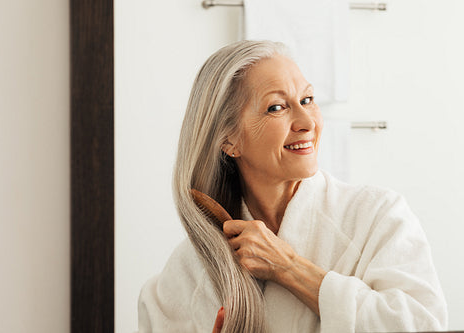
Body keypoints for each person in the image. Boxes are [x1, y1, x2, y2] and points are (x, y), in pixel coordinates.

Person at [138, 40, 447, 333]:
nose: (307, 122)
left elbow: (422, 324)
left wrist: (289, 267)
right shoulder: (194, 266)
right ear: (229, 139)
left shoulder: (377, 216)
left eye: (307, 100)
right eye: (276, 108)